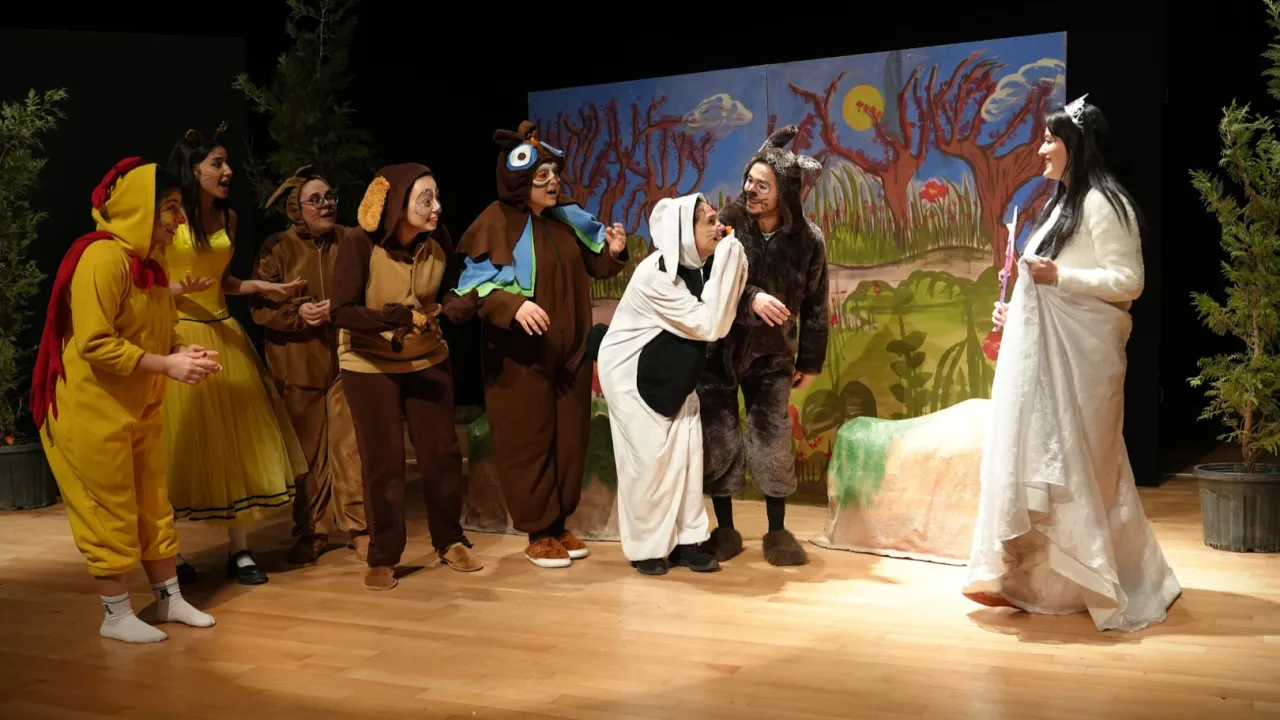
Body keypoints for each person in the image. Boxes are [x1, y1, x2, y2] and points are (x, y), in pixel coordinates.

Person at [962, 96, 1181, 631]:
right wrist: (1017, 307)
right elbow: (1048, 279)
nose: (1040, 150)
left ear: (1074, 146)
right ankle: (1038, 585)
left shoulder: (1104, 203)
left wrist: (1059, 278)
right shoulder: (1061, 205)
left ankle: (1091, 579)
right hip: (1046, 363)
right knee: (1043, 463)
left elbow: (1128, 281)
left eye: (1049, 140)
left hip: (1082, 364)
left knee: (1083, 467)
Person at [30, 157, 220, 643]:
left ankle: (168, 599)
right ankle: (115, 615)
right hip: (91, 409)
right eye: (170, 208)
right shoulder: (102, 258)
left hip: (138, 406)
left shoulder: (152, 264)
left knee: (153, 503)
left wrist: (182, 352)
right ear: (139, 208)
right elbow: (94, 343)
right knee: (108, 510)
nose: (180, 219)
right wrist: (166, 365)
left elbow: (162, 328)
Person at [449, 121, 629, 568]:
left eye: (554, 174)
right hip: (521, 360)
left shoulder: (565, 220)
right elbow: (472, 291)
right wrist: (513, 305)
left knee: (569, 443)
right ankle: (538, 530)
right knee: (527, 443)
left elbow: (597, 265)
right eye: (541, 176)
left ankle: (558, 523)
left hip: (570, 356)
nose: (553, 183)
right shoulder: (495, 223)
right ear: (519, 181)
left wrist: (613, 251)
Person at [163, 123, 309, 586]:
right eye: (217, 164)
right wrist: (177, 289)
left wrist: (259, 285)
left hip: (222, 332)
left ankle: (240, 550)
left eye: (227, 163)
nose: (227, 172)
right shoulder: (168, 218)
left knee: (237, 444)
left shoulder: (227, 219)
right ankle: (171, 552)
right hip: (178, 338)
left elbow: (222, 281)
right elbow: (145, 285)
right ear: (193, 170)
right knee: (177, 446)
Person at [332, 163, 482, 592]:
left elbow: (451, 289)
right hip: (368, 362)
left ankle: (449, 539)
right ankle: (383, 554)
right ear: (398, 205)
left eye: (437, 198)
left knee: (441, 454)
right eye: (425, 200)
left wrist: (457, 304)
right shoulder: (359, 244)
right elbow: (340, 311)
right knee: (383, 461)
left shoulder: (438, 240)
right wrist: (388, 319)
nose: (437, 207)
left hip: (426, 356)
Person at [595, 194, 749, 575]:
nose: (717, 224)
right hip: (632, 378)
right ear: (684, 232)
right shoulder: (656, 276)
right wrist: (729, 257)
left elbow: (720, 308)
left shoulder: (696, 268)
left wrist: (729, 259)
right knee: (648, 464)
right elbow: (709, 324)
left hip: (670, 375)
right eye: (707, 221)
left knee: (686, 457)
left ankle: (685, 542)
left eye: (714, 218)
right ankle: (646, 547)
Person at [698, 125, 828, 567]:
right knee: (718, 436)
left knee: (772, 437)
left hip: (773, 355)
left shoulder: (808, 240)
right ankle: (725, 528)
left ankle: (777, 531)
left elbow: (816, 303)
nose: (751, 190)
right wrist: (751, 297)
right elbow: (707, 282)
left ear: (784, 194)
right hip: (720, 350)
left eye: (763, 185)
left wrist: (810, 359)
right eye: (749, 181)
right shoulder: (727, 226)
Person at [251, 166, 368, 565]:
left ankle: (360, 527)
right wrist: (297, 312)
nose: (326, 205)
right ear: (296, 209)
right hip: (297, 367)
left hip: (347, 360)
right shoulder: (277, 247)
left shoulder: (351, 240)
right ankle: (312, 531)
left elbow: (371, 288)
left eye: (330, 196)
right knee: (307, 456)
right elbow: (259, 306)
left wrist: (346, 308)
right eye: (315, 200)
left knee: (350, 448)